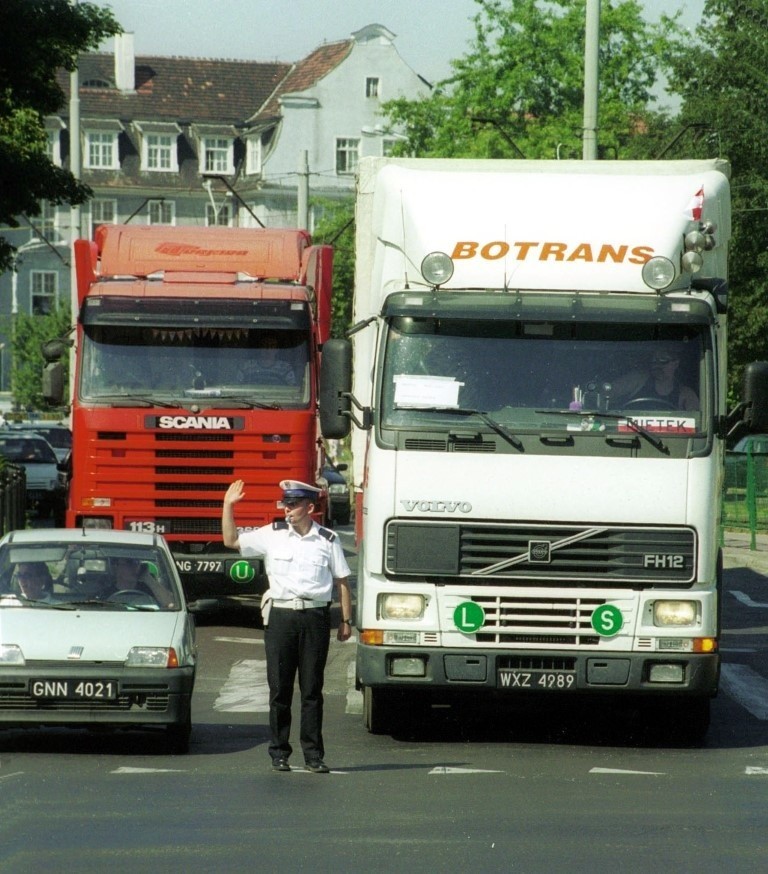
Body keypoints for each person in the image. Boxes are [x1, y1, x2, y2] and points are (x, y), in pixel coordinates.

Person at [222, 478, 352, 774]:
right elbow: (231, 541)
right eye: (285, 503)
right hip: (281, 617)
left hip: (314, 618)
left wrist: (346, 621)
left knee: (311, 690)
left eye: (293, 504)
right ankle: (279, 753)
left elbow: (343, 582)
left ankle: (313, 755)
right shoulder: (273, 534)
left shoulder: (328, 540)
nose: (287, 509)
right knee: (279, 689)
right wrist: (228, 506)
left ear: (309, 507)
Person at [612, 344, 699, 411]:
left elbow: (696, 422)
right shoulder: (637, 379)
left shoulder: (686, 394)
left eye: (663, 360)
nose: (657, 365)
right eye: (654, 360)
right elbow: (608, 392)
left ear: (675, 363)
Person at [111, 556, 177, 608]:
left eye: (137, 563)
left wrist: (148, 579)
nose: (135, 567)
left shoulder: (148, 589)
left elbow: (170, 602)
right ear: (117, 567)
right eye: (129, 563)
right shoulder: (107, 592)